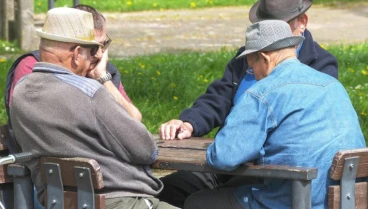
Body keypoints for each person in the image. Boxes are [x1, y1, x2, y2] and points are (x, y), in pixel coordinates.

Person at [157, 0, 339, 207]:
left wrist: (238, 145)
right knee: (166, 189)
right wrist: (190, 122)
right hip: (247, 165)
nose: (269, 32)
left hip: (279, 176)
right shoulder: (329, 84)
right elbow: (220, 96)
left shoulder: (305, 72)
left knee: (199, 202)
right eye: (263, 25)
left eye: (278, 26)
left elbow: (225, 155)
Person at [184, 19, 365, 209]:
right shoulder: (333, 85)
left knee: (197, 202)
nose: (252, 73)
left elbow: (223, 156)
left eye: (251, 65)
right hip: (344, 200)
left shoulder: (262, 93)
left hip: (290, 201)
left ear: (264, 58)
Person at [9, 7, 178, 209]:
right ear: (77, 54)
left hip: (59, 202)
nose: (96, 56)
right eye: (92, 50)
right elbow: (146, 149)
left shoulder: (20, 91)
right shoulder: (89, 91)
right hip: (119, 200)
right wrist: (101, 80)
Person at [4, 4, 141, 154]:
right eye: (93, 48)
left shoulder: (103, 71)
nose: (99, 55)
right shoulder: (33, 67)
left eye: (104, 45)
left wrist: (102, 78)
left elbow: (134, 126)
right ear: (76, 50)